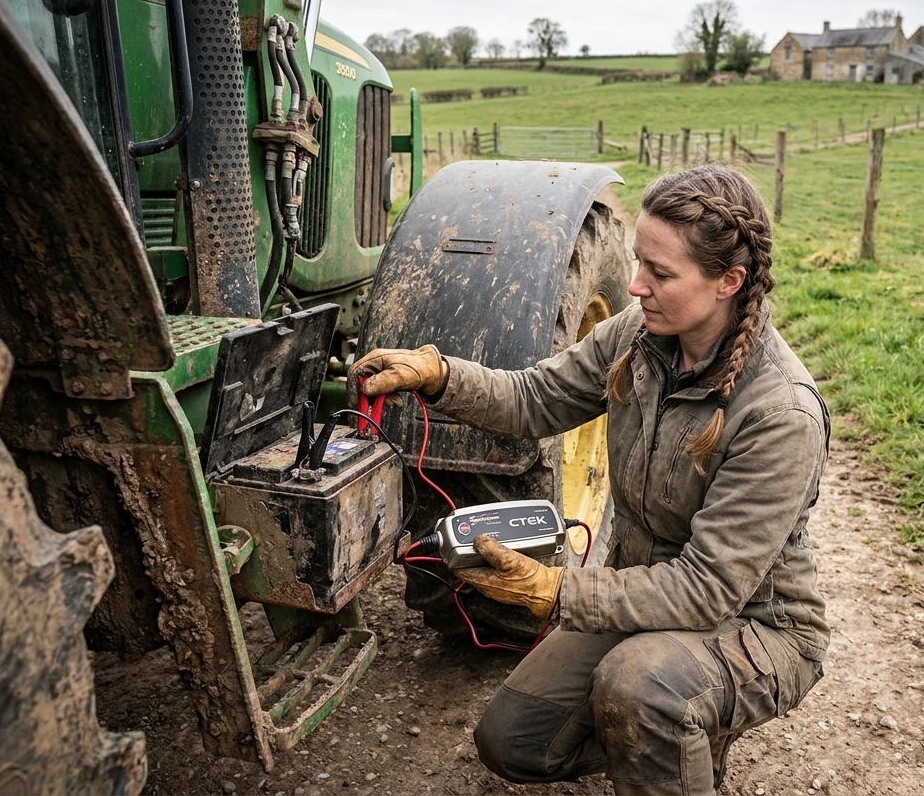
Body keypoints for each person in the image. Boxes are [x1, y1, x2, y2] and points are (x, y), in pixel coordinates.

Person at [351, 165, 830, 795]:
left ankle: (679, 726)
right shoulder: (641, 337)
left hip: (757, 625)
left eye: (660, 274)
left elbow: (707, 590)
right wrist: (438, 374)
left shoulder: (778, 414)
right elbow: (535, 399)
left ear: (728, 282)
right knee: (513, 742)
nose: (635, 286)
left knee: (639, 686)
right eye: (639, 262)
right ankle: (667, 734)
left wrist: (556, 592)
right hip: (646, 597)